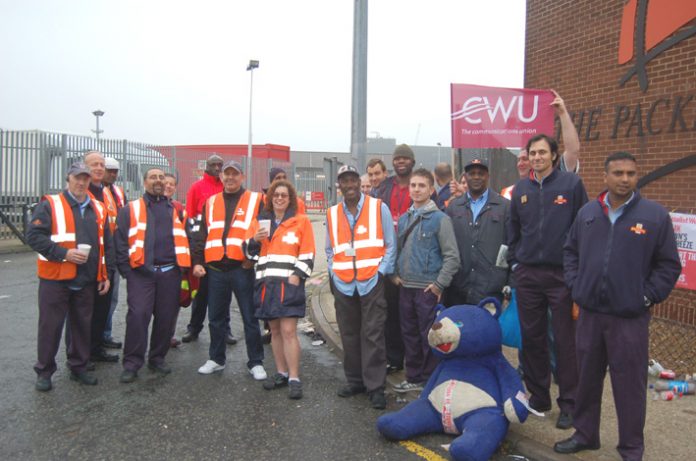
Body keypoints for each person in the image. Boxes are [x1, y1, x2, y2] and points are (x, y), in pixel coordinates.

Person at [555, 152, 681, 459]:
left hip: (629, 319)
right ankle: (585, 434)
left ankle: (631, 447)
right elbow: (570, 252)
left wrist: (646, 296)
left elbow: (668, 266)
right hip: (590, 315)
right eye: (619, 173)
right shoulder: (587, 213)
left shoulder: (654, 216)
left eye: (631, 173)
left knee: (630, 387)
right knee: (586, 379)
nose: (625, 179)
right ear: (605, 176)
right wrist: (576, 285)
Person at [507, 133, 588, 430]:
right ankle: (539, 397)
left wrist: (575, 269)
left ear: (554, 155)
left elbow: (585, 226)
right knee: (532, 339)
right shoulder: (521, 189)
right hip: (528, 275)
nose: (537, 157)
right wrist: (516, 262)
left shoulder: (571, 184)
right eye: (533, 153)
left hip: (562, 275)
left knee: (566, 343)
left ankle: (569, 405)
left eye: (543, 152)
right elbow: (512, 229)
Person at [27, 162, 114, 391]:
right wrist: (64, 253)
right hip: (55, 278)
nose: (82, 182)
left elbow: (104, 245)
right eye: (77, 178)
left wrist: (104, 274)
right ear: (68, 179)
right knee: (50, 327)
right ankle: (44, 372)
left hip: (85, 279)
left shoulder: (98, 208)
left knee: (81, 327)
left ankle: (79, 367)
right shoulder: (50, 205)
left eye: (85, 178)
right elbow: (34, 236)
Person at [326, 165, 396, 409]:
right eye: (344, 181)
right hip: (344, 284)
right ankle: (355, 381)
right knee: (349, 334)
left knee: (373, 334)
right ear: (340, 186)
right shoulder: (332, 213)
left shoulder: (379, 208)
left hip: (371, 283)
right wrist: (333, 273)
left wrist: (380, 273)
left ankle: (375, 387)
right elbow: (329, 249)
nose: (349, 185)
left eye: (353, 180)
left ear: (359, 181)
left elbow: (390, 245)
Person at [192, 160, 267, 380]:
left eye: (235, 174)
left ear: (242, 177)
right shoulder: (211, 202)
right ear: (221, 177)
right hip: (215, 269)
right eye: (227, 174)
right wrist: (198, 261)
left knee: (250, 317)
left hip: (242, 268)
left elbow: (265, 233)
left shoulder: (256, 200)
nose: (230, 178)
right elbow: (201, 234)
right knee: (215, 317)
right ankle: (216, 359)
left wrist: (251, 261)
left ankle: (256, 362)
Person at [114, 168, 191, 383]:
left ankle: (157, 358)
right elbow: (119, 242)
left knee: (166, 319)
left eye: (161, 178)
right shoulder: (130, 210)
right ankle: (132, 363)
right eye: (153, 178)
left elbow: (187, 237)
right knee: (138, 316)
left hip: (170, 273)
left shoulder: (175, 210)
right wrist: (127, 271)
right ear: (145, 182)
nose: (158, 181)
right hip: (141, 274)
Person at [245, 180, 315, 399]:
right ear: (270, 198)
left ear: (290, 198)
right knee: (274, 331)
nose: (279, 198)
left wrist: (297, 276)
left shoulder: (301, 221)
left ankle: (294, 378)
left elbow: (308, 253)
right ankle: (281, 373)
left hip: (288, 284)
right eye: (276, 195)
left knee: (288, 332)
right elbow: (248, 254)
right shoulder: (260, 222)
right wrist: (253, 241)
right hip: (266, 284)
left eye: (284, 195)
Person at [391, 168, 459, 393]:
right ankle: (413, 376)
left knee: (429, 336)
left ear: (431, 190)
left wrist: (439, 284)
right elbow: (397, 250)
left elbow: (452, 257)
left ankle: (430, 380)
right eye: (413, 185)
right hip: (406, 287)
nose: (417, 189)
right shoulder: (404, 219)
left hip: (427, 289)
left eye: (422, 186)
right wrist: (395, 275)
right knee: (408, 334)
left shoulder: (440, 219)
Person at [182, 154, 237, 346]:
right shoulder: (197, 187)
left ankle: (226, 330)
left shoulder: (226, 187)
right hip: (202, 247)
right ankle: (194, 328)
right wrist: (194, 250)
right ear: (206, 167)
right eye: (213, 164)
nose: (216, 168)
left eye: (219, 165)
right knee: (201, 293)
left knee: (224, 294)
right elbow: (190, 217)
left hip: (223, 251)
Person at [372, 144, 416, 374]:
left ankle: (415, 359)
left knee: (411, 312)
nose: (400, 162)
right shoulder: (383, 188)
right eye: (397, 158)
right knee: (389, 312)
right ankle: (394, 358)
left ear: (412, 162)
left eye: (405, 158)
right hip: (387, 256)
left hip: (413, 257)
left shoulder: (419, 183)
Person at [445, 158, 510, 306]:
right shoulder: (454, 207)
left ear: (488, 176)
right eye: (471, 173)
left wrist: (510, 283)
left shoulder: (504, 206)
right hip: (459, 287)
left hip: (491, 289)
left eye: (480, 173)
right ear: (465, 177)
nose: (476, 177)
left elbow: (512, 246)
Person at [501, 90, 580, 199]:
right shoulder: (510, 192)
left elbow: (573, 150)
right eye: (532, 154)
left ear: (552, 156)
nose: (520, 163)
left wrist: (562, 113)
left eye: (524, 158)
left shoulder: (559, 177)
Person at [84, 150, 120, 364]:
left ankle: (96, 348)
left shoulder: (106, 192)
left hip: (108, 260)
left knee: (102, 308)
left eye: (102, 165)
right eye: (94, 165)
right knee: (81, 312)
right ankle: (79, 355)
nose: (100, 169)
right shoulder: (82, 191)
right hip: (86, 261)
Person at [163, 173, 192, 348]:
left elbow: (187, 235)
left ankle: (168, 335)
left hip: (175, 264)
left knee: (174, 303)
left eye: (171, 184)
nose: (168, 186)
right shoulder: (147, 207)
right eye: (165, 183)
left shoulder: (179, 209)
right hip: (155, 263)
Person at [102, 156, 126, 350]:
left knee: (113, 297)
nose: (112, 174)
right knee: (98, 298)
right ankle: (94, 339)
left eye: (115, 171)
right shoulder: (94, 191)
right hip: (100, 251)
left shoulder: (118, 192)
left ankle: (105, 334)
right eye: (109, 170)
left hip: (115, 250)